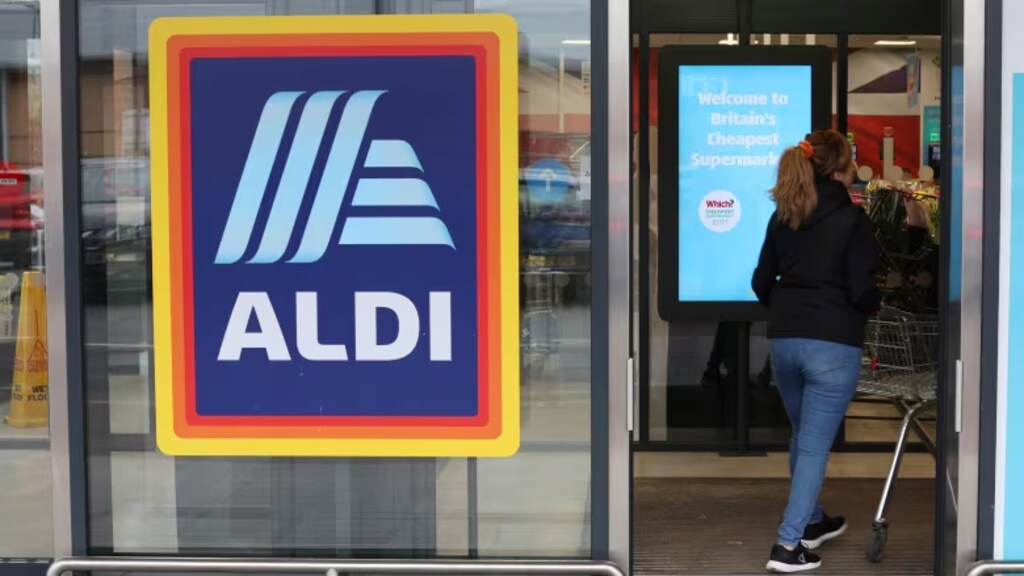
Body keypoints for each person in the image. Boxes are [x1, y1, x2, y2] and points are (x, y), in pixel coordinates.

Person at [752, 130, 882, 573]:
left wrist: (793, 310)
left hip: (785, 339)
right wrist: (871, 304)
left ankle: (812, 521)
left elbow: (760, 283)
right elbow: (863, 289)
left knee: (802, 436)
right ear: (843, 171)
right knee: (812, 448)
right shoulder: (853, 220)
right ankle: (788, 546)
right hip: (832, 342)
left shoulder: (783, 216)